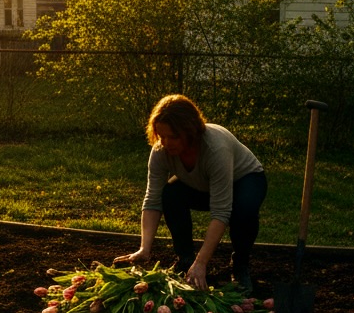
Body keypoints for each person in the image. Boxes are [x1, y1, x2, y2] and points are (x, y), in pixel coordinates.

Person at [114, 94, 268, 293]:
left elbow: (221, 211)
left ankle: (240, 265)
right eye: (162, 136)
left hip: (245, 179)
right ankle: (186, 260)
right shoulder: (161, 151)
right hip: (202, 184)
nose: (167, 143)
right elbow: (152, 199)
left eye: (174, 136)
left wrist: (202, 262)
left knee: (243, 211)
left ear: (190, 131)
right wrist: (145, 248)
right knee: (170, 194)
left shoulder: (215, 148)